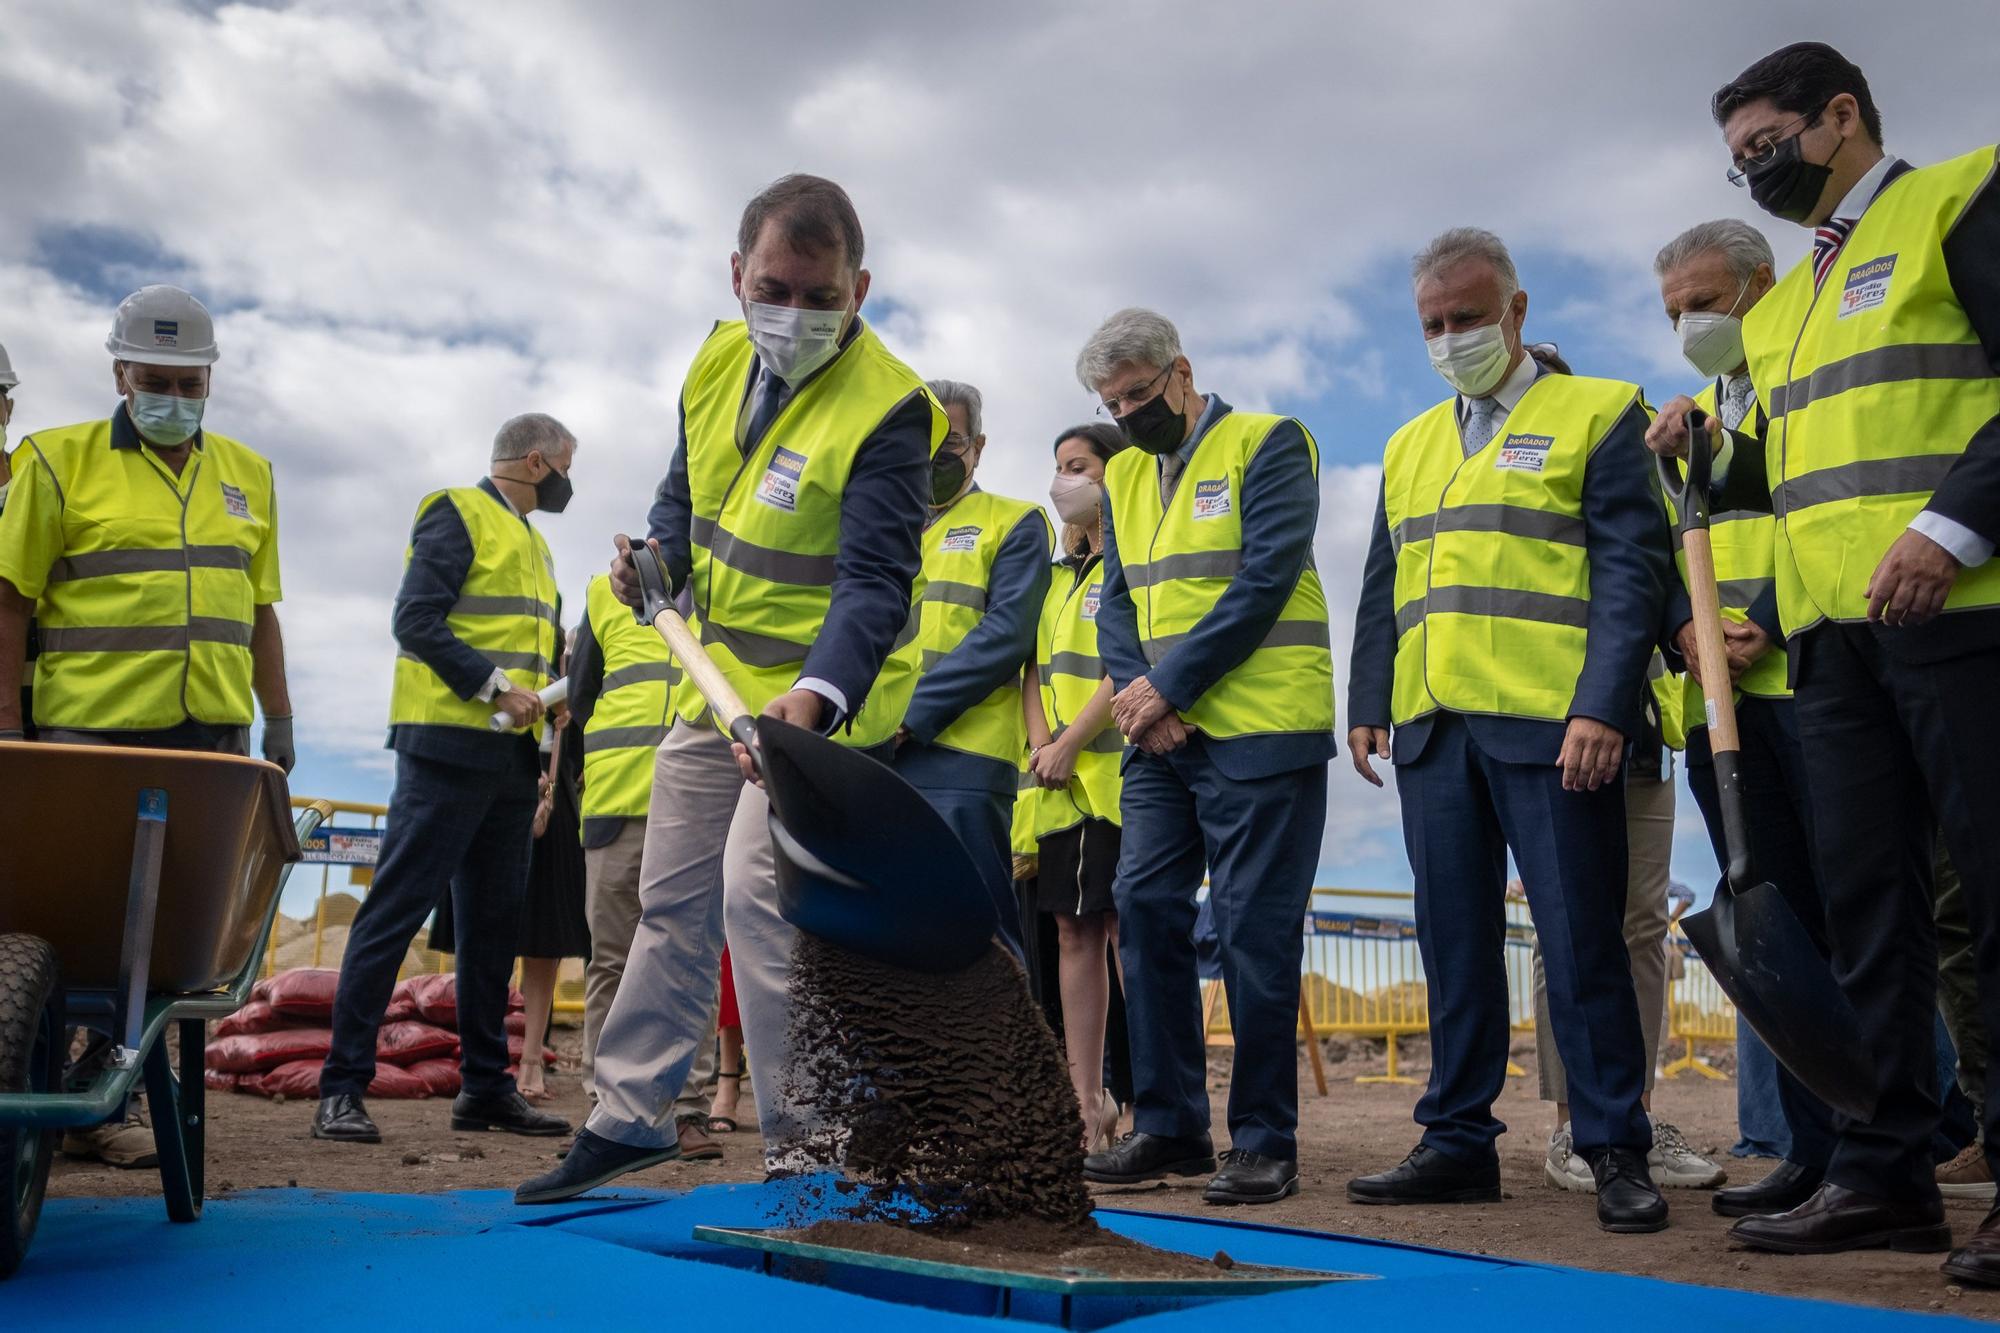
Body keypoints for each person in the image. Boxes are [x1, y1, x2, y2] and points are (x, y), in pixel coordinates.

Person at [517, 174, 944, 1204]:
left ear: (861, 289)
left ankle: (812, 1151)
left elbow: (875, 583)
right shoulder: (714, 360)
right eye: (773, 289)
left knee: (762, 896)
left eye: (819, 296)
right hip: (715, 696)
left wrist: (814, 698)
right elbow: (684, 497)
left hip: (815, 710)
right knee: (670, 893)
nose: (792, 314)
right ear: (736, 275)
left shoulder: (890, 410)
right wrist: (651, 562)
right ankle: (628, 1118)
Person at [1646, 44, 2000, 1272]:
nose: (1750, 168)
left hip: (1959, 612)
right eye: (1734, 154)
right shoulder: (1784, 302)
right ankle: (1883, 1168)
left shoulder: (1959, 198)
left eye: (1763, 143)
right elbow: (1792, 468)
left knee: (1990, 901)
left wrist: (1946, 530)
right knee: (1866, 913)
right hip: (1829, 646)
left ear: (1839, 116)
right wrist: (1705, 450)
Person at [1345, 228, 1672, 1233]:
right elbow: (1382, 582)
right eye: (1432, 325)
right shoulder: (1407, 443)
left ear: (1516, 312)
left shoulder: (1596, 411)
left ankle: (1611, 1139)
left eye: (1467, 318)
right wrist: (1368, 699)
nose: (1450, 338)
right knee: (1452, 941)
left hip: (1550, 724)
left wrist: (1602, 704)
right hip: (1433, 726)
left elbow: (1631, 571)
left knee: (1580, 940)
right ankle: (1454, 1138)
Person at [0, 288, 295, 1168]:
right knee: (68, 918)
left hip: (208, 738)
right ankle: (39, 1079)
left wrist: (276, 716)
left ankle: (109, 1095)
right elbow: (10, 601)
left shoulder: (250, 473)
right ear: (120, 372)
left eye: (189, 382)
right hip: (86, 735)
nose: (173, 396)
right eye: (155, 379)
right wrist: (9, 729)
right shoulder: (55, 462)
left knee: (170, 938)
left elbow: (263, 609)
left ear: (209, 379)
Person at [1077, 307, 1335, 1206]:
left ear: (1182, 374)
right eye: (1112, 404)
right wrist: (1142, 698)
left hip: (1262, 731)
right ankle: (1171, 1126)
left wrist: (1170, 686)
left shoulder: (1268, 443)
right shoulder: (1125, 479)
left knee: (1254, 929)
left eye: (1139, 394)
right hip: (1159, 741)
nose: (1128, 413)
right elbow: (1116, 602)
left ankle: (1263, 1138)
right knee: (1142, 906)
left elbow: (1266, 577)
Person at [316, 413, 577, 1145]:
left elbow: (527, 651)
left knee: (494, 929)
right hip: (445, 749)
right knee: (393, 914)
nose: (568, 484)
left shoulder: (535, 544)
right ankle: (342, 1087)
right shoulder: (456, 512)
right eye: (565, 468)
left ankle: (486, 1089)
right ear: (535, 462)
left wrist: (547, 703)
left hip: (510, 760)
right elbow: (415, 620)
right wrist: (496, 687)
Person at [1650, 216, 1840, 1218]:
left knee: (1846, 917)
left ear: (1761, 285)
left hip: (1814, 686)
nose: (1688, 322)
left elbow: (1826, 510)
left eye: (1704, 302)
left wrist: (1763, 619)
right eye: (1673, 309)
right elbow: (1661, 552)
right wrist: (1684, 625)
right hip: (1718, 712)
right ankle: (1810, 1150)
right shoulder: (1679, 428)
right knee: (1778, 927)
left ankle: (1880, 1142)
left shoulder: (1802, 382)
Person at [1534, 650, 1726, 1195]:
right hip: (1562, 711)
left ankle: (1633, 1124)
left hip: (1646, 730)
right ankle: (1573, 1129)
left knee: (1644, 928)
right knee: (1567, 926)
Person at [892, 378, 1053, 961]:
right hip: (873, 755)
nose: (935, 455)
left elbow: (1006, 634)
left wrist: (910, 718)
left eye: (951, 440)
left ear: (978, 447)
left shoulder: (1015, 521)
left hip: (963, 760)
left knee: (977, 936)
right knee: (890, 935)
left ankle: (1000, 1056)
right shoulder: (874, 525)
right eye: (921, 439)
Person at [567, 570, 723, 1160]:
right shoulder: (601, 594)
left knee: (692, 954)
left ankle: (686, 1111)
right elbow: (582, 694)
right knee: (610, 960)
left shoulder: (715, 585)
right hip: (615, 801)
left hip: (694, 802)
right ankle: (607, 1109)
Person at [1024, 421, 1129, 1154]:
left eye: (1079, 465)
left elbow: (1131, 657)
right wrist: (1041, 744)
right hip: (1057, 787)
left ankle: (1153, 1099)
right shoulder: (1055, 577)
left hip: (1120, 778)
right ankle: (1084, 1102)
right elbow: (1030, 668)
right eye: (1059, 466)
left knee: (1128, 933)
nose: (1065, 480)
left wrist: (1071, 741)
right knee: (1070, 930)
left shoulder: (1132, 564)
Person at [429, 627, 591, 1102]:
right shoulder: (500, 676)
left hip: (553, 814)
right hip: (495, 799)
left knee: (544, 946)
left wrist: (568, 722)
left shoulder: (580, 689)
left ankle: (531, 1060)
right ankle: (483, 1063)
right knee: (483, 936)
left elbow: (582, 759)